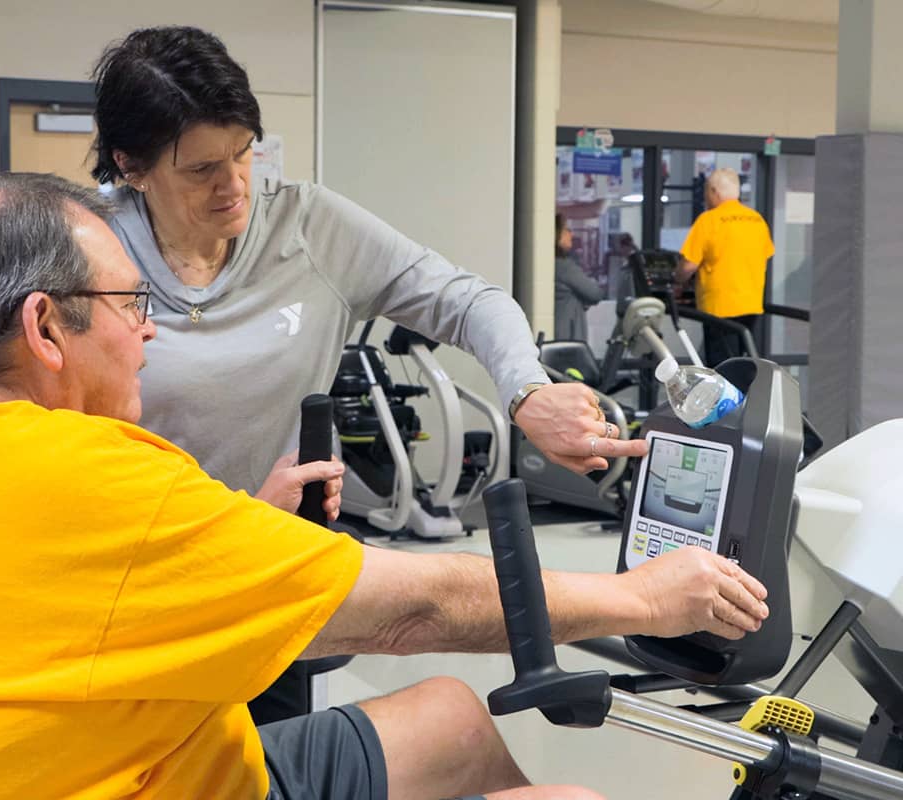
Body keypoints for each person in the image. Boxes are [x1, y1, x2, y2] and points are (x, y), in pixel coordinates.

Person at [0, 173, 772, 800]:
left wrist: (238, 532)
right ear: (44, 328)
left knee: (452, 718)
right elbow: (414, 607)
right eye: (130, 303)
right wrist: (647, 596)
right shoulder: (95, 476)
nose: (149, 327)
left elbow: (18, 598)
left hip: (92, 762)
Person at [89, 25, 644, 723]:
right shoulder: (85, 248)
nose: (235, 186)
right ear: (131, 166)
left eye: (243, 152)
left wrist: (525, 389)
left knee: (269, 761)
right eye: (201, 170)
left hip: (269, 573)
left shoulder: (309, 227)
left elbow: (467, 299)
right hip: (133, 590)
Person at [675, 167, 774, 367]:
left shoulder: (708, 220)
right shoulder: (757, 220)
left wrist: (676, 282)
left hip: (720, 306)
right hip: (752, 305)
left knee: (723, 369)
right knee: (743, 362)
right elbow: (765, 256)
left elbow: (689, 265)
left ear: (714, 192)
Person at [553, 213, 604, 340]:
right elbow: (595, 293)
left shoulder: (551, 264)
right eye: (567, 230)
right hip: (567, 338)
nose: (571, 235)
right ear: (556, 234)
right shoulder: (564, 267)